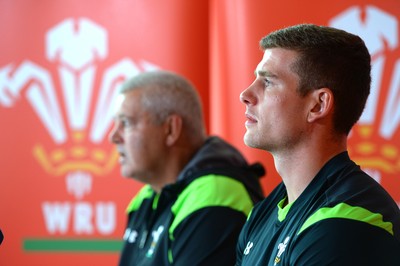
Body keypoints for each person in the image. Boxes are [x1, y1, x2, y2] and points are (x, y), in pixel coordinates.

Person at [236, 24, 400, 265]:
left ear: (318, 105)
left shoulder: (348, 221)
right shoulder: (261, 216)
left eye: (268, 82)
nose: (246, 94)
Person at [109, 70, 265, 266]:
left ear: (171, 129)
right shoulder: (146, 198)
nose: (114, 136)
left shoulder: (215, 195)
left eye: (126, 123)